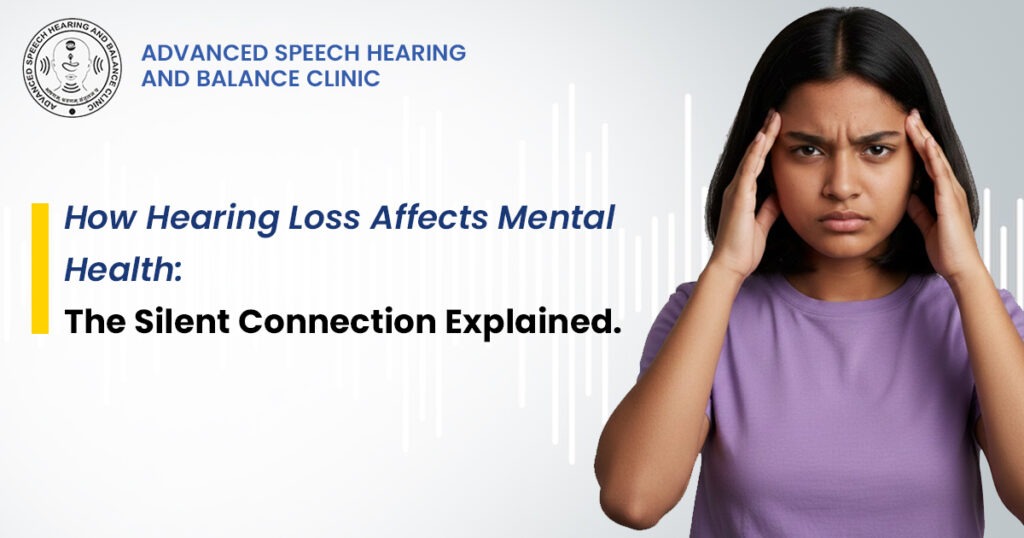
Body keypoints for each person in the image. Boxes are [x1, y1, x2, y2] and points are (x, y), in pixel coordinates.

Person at [594, 7, 1024, 536]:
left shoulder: (976, 316)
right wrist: (725, 270)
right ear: (762, 161)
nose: (841, 185)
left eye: (876, 149)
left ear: (921, 162)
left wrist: (967, 274)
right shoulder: (704, 312)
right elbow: (633, 499)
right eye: (807, 149)